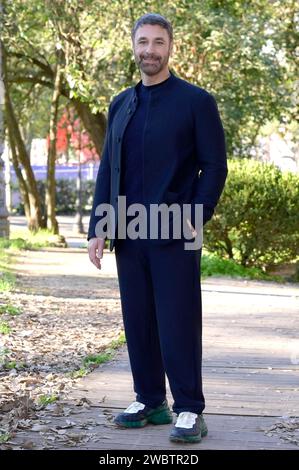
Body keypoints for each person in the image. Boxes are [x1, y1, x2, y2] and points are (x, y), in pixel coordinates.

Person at [87, 13, 228, 444]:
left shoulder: (195, 102)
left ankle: (188, 408)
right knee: (139, 320)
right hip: (128, 231)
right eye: (143, 42)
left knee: (177, 321)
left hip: (175, 232)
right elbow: (109, 168)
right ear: (134, 46)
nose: (150, 50)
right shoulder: (121, 104)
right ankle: (150, 400)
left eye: (158, 42)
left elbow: (215, 166)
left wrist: (196, 214)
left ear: (171, 48)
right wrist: (98, 225)